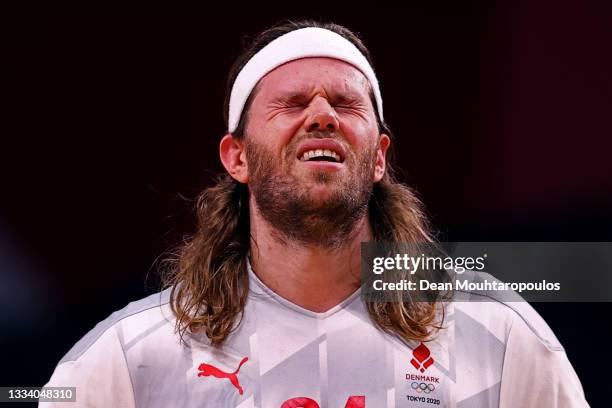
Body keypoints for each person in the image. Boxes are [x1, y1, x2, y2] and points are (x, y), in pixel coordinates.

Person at [40, 20, 588, 407]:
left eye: (346, 105)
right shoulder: (128, 360)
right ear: (237, 157)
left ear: (379, 157)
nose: (323, 116)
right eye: (293, 103)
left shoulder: (496, 333)